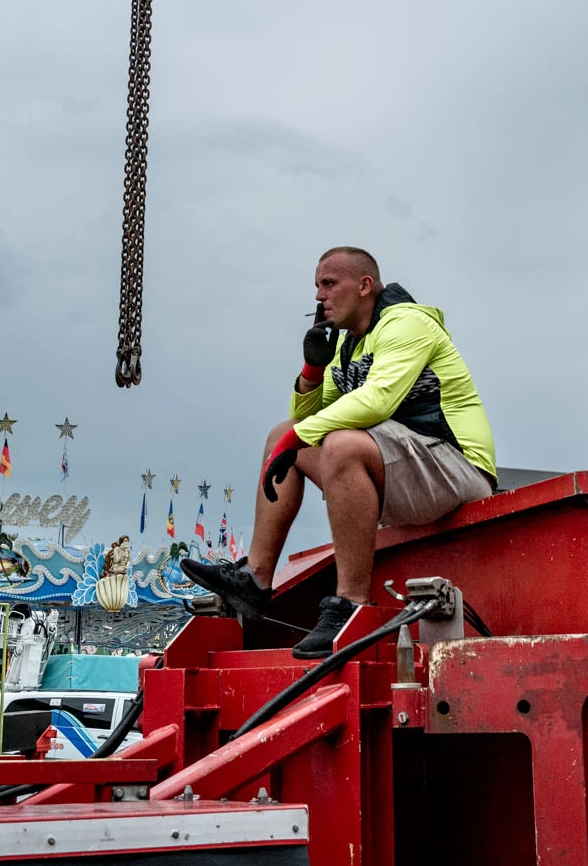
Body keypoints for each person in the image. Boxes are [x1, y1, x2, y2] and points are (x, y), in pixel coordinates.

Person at [183, 246, 496, 657]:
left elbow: (378, 401)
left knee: (339, 443)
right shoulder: (349, 347)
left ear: (365, 286)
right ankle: (255, 581)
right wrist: (312, 374)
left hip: (457, 470)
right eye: (317, 286)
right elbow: (309, 418)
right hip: (400, 473)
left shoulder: (407, 324)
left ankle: (350, 602)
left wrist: (301, 438)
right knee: (287, 433)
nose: (318, 296)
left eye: (329, 284)